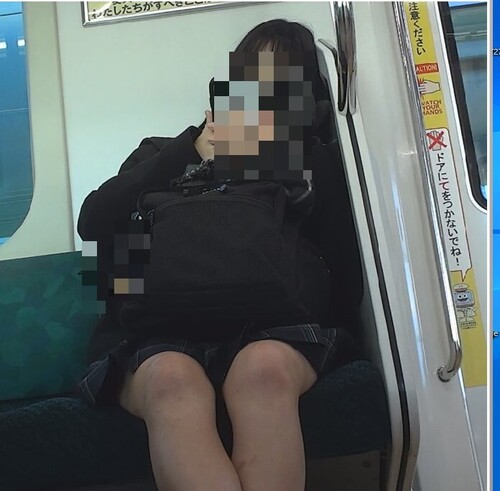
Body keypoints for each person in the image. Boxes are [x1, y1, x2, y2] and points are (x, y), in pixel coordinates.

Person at [78, 19, 361, 491]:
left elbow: (342, 274)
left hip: (271, 328)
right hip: (156, 331)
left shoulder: (312, 163)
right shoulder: (162, 153)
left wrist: (271, 160)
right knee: (172, 379)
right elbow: (93, 222)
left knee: (263, 370)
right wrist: (190, 151)